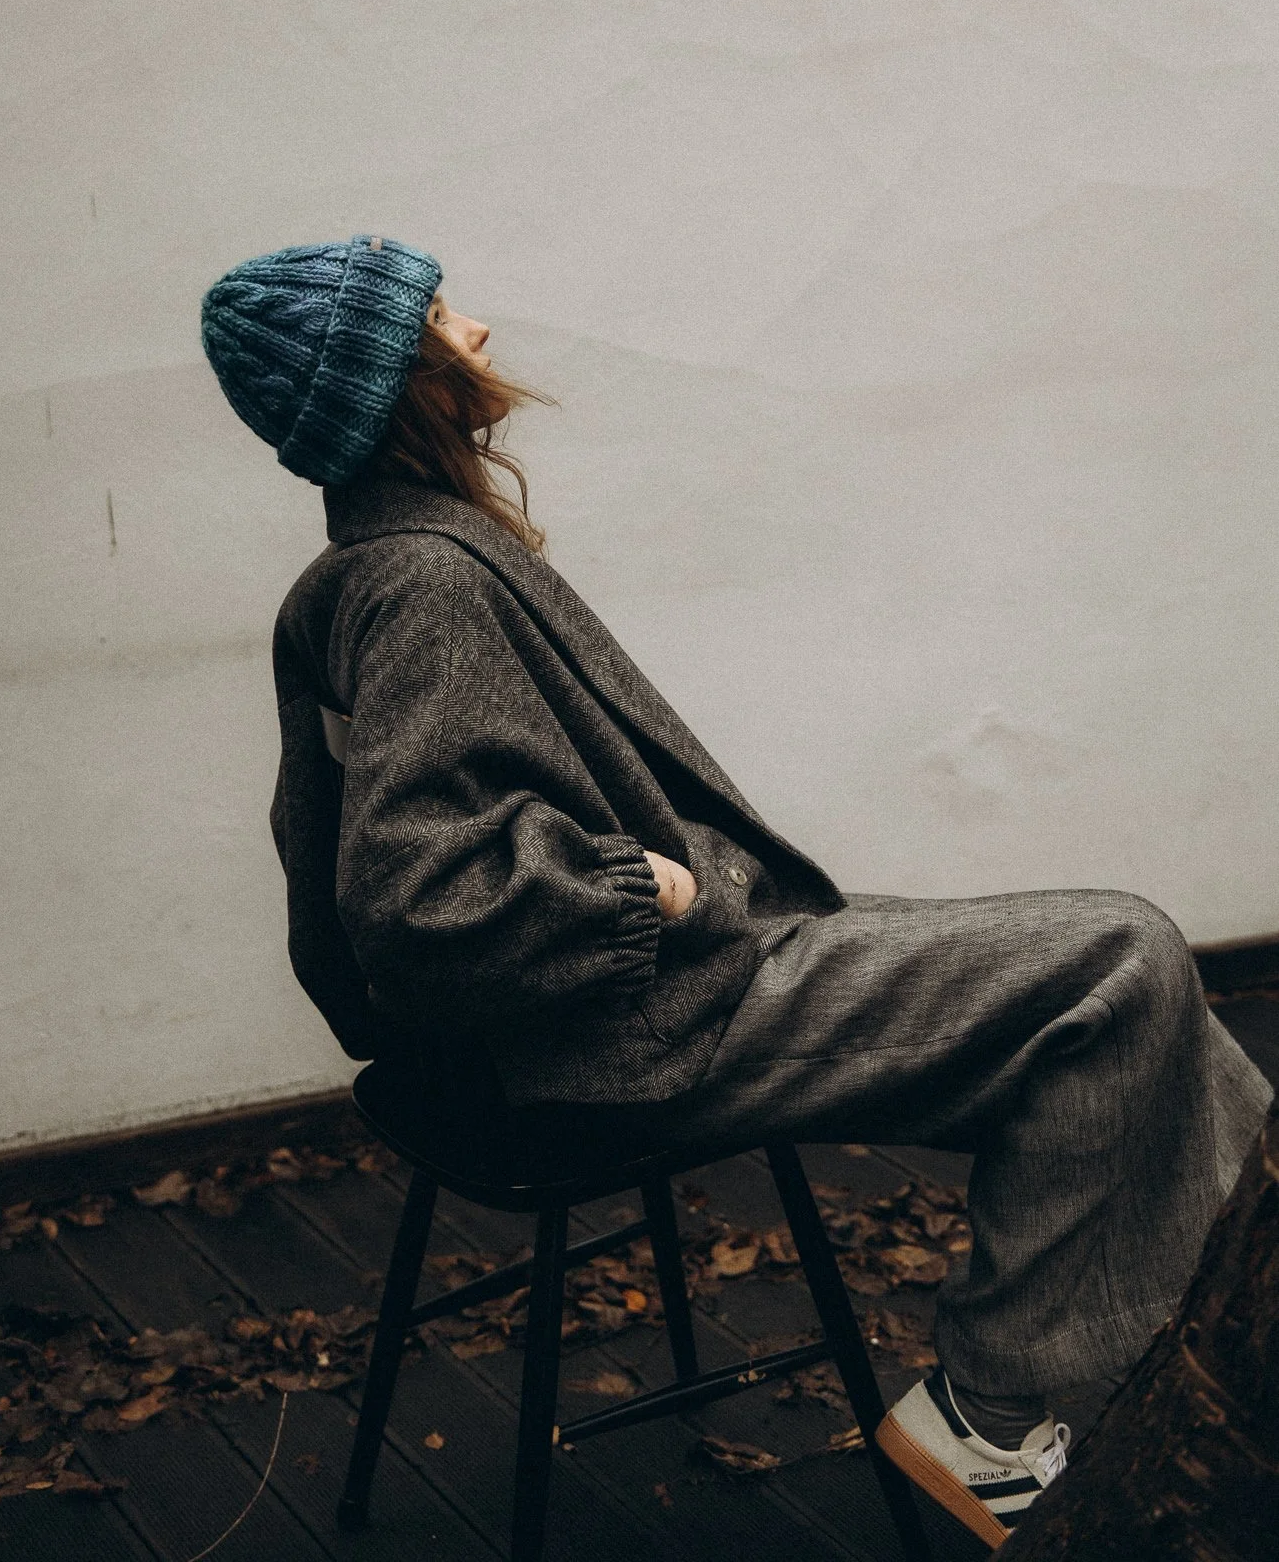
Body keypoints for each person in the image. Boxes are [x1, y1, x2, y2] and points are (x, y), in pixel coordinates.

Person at [201, 233, 1271, 1550]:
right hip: (637, 1021)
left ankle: (1231, 1319)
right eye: (436, 320)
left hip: (636, 997)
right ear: (389, 381)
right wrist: (626, 889)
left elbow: (351, 865)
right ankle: (1000, 1417)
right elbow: (410, 895)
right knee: (1122, 959)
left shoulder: (378, 570)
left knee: (1130, 1001)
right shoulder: (420, 584)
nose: (475, 333)